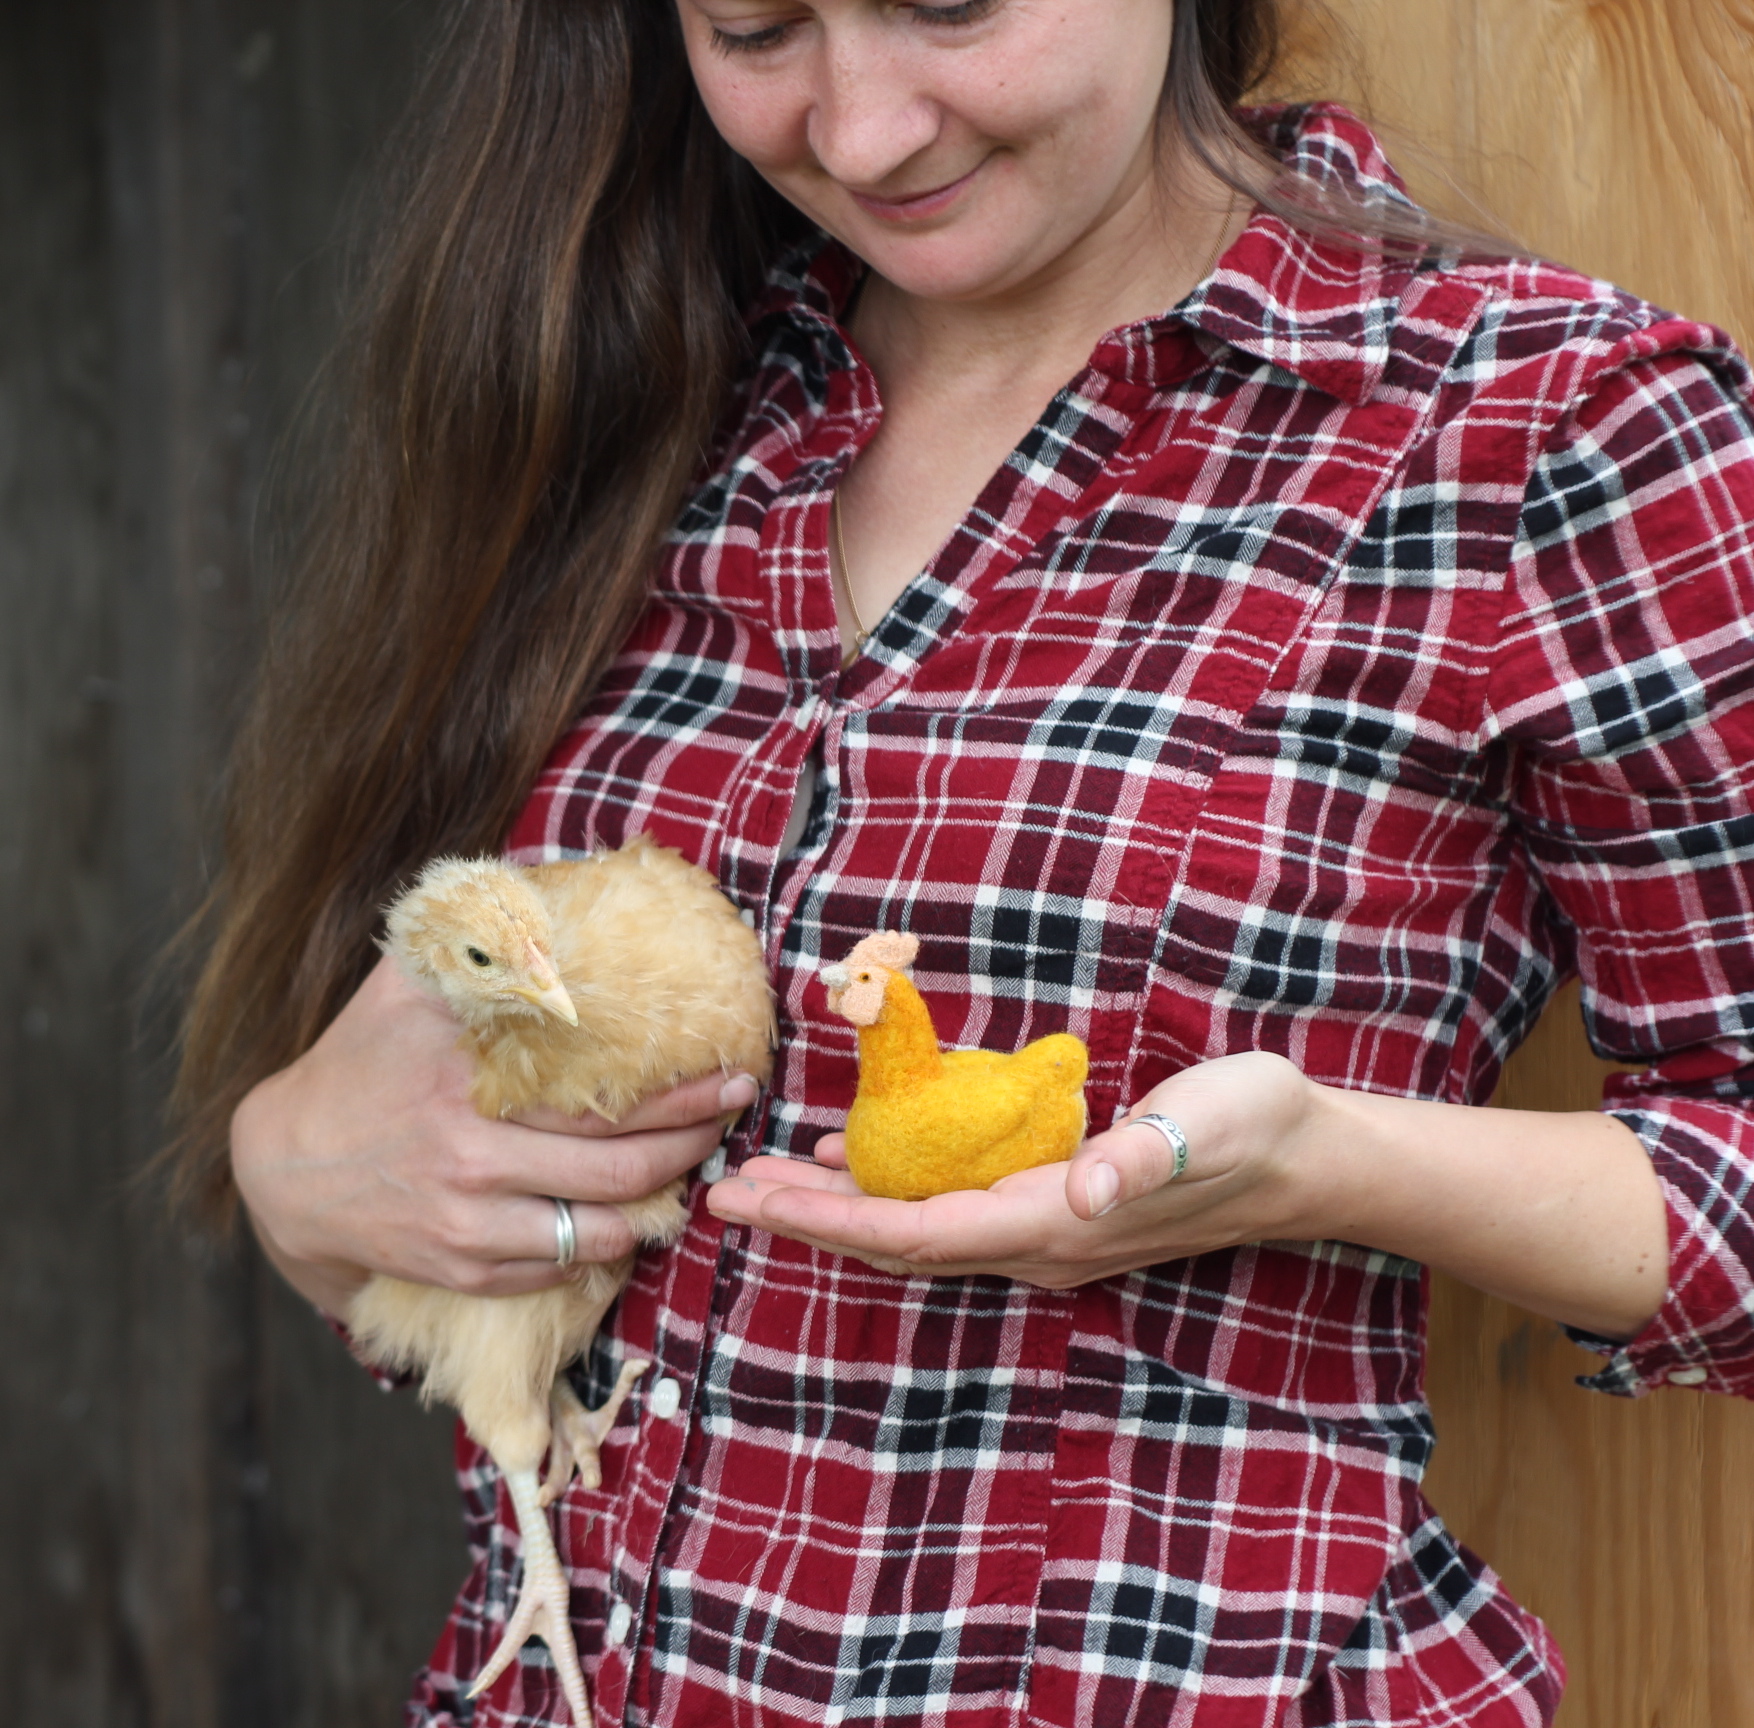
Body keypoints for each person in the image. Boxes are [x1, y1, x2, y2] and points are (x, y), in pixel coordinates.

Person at [183, 1, 1754, 1723]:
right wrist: (295, 1172)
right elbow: (481, 1196)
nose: (860, 132)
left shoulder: (1549, 425)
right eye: (756, 27)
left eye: (946, 2)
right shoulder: (620, 370)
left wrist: (1323, 1164)